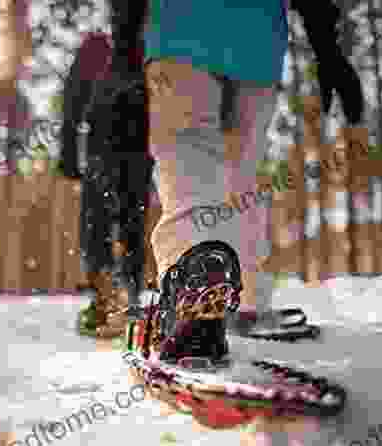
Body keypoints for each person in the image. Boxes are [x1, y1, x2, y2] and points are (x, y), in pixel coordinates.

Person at [139, 0, 365, 360]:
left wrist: (123, 51)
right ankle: (243, 304)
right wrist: (328, 50)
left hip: (179, 32)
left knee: (190, 166)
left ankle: (196, 306)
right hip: (255, 43)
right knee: (238, 179)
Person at [58, 7, 153, 338]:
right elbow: (73, 97)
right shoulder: (98, 45)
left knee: (127, 222)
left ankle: (127, 297)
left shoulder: (148, 46)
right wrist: (68, 150)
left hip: (138, 147)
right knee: (102, 221)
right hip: (105, 145)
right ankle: (106, 298)